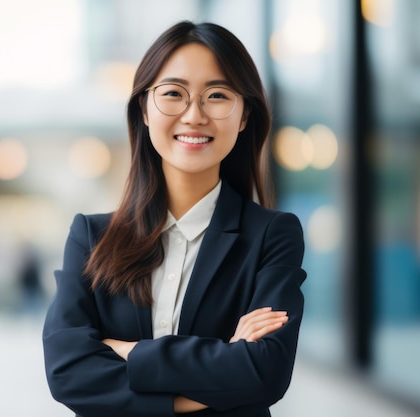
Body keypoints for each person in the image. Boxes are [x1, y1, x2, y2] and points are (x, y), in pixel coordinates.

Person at [42, 20, 306, 417]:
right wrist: (219, 372)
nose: (194, 115)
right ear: (145, 110)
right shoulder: (91, 237)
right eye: (173, 94)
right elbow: (68, 373)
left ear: (245, 115)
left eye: (216, 95)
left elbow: (265, 372)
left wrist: (130, 352)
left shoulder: (272, 236)